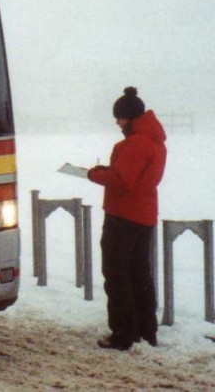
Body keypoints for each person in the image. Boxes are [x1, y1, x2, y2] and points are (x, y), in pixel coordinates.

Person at [87, 86, 167, 351]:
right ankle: (146, 330)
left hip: (123, 216)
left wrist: (93, 175)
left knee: (117, 273)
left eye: (120, 117)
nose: (117, 122)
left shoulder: (135, 143)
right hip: (144, 215)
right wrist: (108, 170)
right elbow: (133, 176)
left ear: (130, 117)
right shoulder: (154, 141)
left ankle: (123, 333)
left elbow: (122, 181)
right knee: (140, 273)